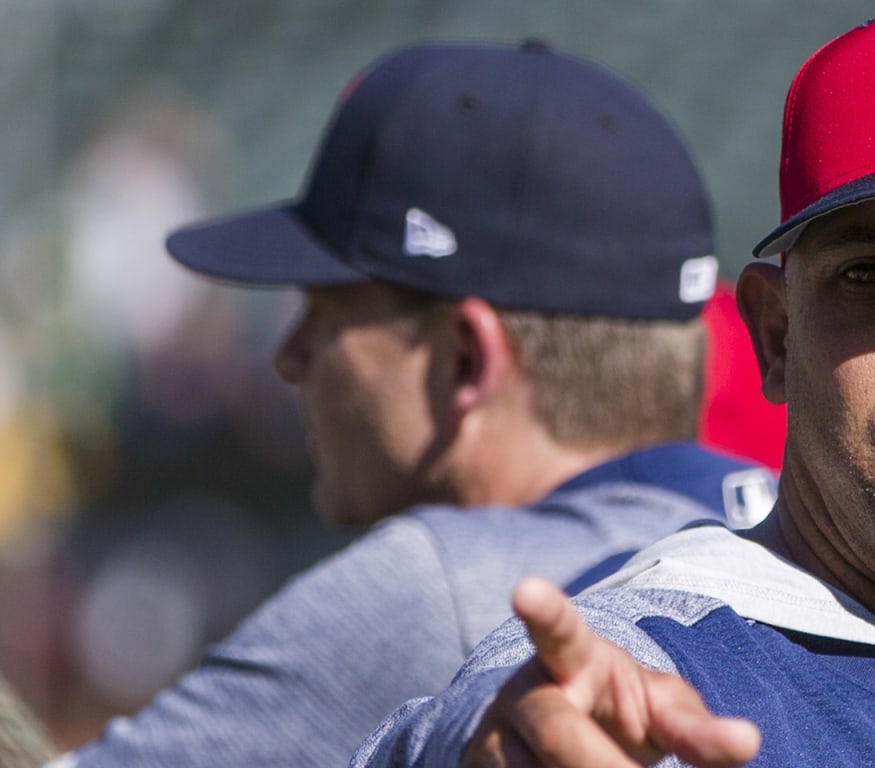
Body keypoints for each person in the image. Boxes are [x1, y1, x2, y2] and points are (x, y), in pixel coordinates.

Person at [354, 1, 875, 766]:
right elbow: (523, 719)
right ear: (776, 334)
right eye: (870, 273)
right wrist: (477, 741)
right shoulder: (661, 682)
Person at [62, 41, 777, 768]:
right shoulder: (812, 548)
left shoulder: (430, 588)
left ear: (467, 359)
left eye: (328, 313)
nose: (289, 355)